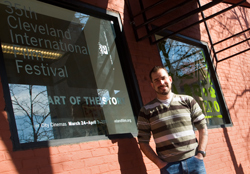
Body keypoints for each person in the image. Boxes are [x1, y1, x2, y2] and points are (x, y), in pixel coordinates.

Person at [137, 66, 208, 174]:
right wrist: (160, 163)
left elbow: (203, 128)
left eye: (163, 78)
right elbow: (143, 142)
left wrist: (200, 154)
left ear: (170, 79)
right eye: (156, 80)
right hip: (169, 168)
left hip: (194, 162)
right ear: (152, 85)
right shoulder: (146, 111)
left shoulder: (188, 101)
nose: (161, 82)